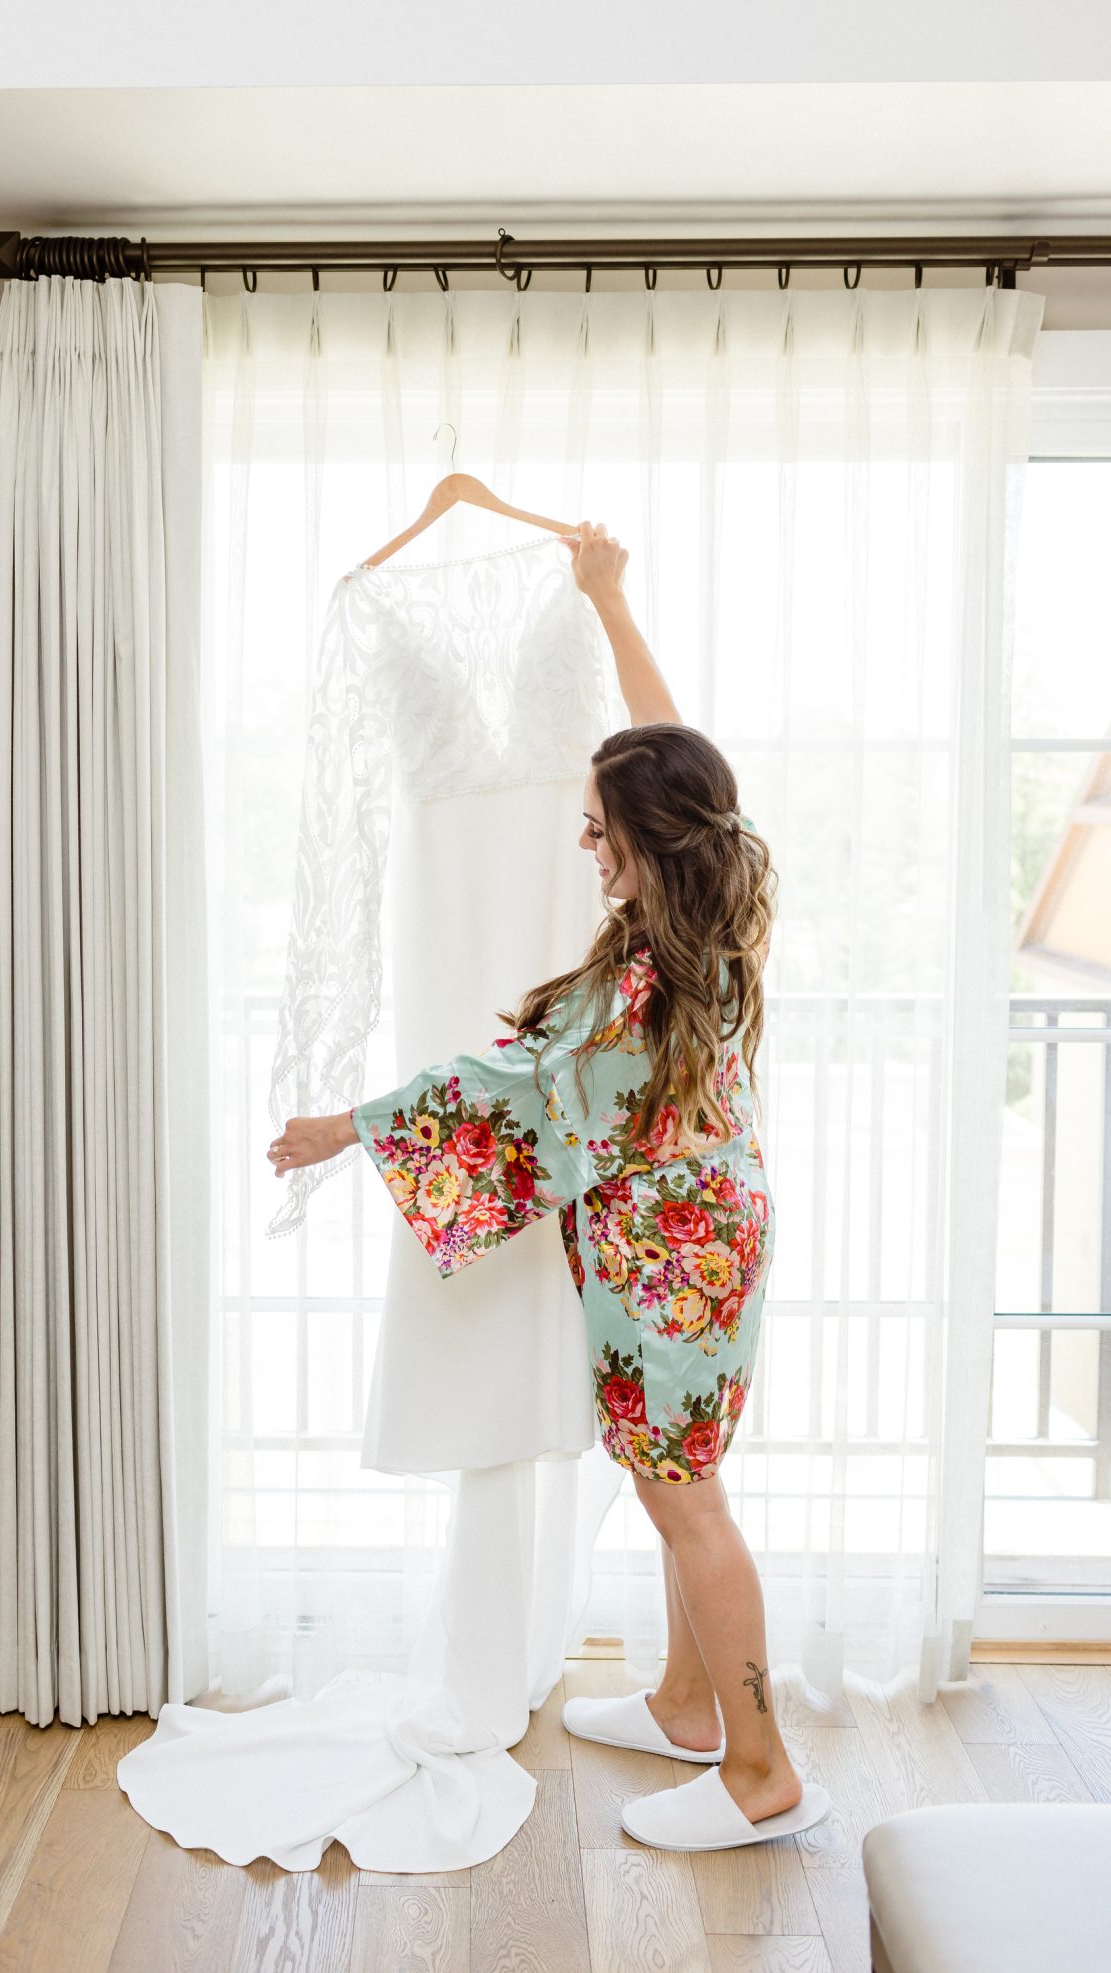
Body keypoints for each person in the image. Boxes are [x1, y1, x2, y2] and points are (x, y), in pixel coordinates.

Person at [267, 521, 830, 1852]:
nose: (584, 845)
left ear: (649, 837)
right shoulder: (719, 904)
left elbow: (501, 1088)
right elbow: (671, 736)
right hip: (705, 1235)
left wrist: (343, 1126)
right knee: (672, 1482)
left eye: (596, 831)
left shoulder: (638, 982)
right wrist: (613, 600)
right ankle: (692, 1706)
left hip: (666, 1260)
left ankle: (760, 1770)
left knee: (687, 1500)